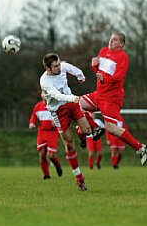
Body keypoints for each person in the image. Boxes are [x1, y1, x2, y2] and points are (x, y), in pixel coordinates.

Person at [80, 31, 147, 165]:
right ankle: (93, 128)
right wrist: (94, 66)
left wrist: (104, 78)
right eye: (111, 39)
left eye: (115, 40)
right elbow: (100, 73)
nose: (111, 41)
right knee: (75, 104)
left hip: (111, 99)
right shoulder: (103, 51)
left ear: (122, 44)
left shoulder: (123, 57)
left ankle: (140, 147)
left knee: (112, 129)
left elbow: (119, 77)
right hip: (98, 94)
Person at [40, 53, 104, 191]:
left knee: (88, 131)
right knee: (69, 145)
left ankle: (80, 131)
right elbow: (56, 95)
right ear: (48, 68)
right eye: (55, 66)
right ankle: (79, 178)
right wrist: (72, 98)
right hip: (58, 111)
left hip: (71, 103)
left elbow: (71, 68)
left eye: (59, 64)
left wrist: (80, 76)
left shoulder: (62, 66)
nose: (59, 67)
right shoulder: (44, 81)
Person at [29, 94, 62, 179]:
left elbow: (62, 116)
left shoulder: (55, 105)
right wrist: (32, 123)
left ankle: (57, 165)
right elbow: (34, 116)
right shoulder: (38, 106)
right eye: (44, 93)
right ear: (41, 95)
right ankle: (46, 175)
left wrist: (57, 121)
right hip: (42, 132)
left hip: (52, 133)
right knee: (42, 154)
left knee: (50, 155)